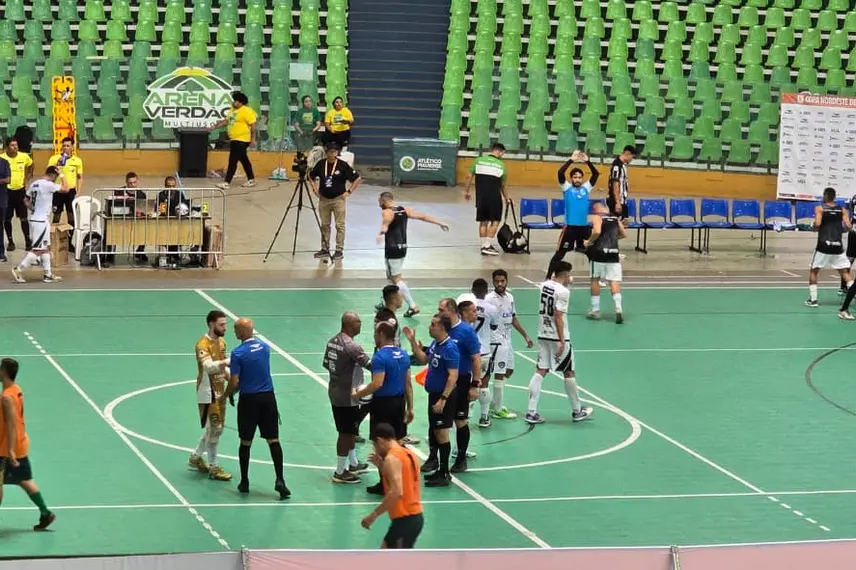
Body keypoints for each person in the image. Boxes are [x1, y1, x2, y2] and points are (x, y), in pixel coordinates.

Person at [220, 318, 291, 500]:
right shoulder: (265, 347)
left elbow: (235, 381)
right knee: (273, 440)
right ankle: (280, 479)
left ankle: (244, 481)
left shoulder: (238, 353)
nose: (234, 332)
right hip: (268, 398)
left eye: (236, 329)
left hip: (249, 400)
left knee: (245, 442)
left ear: (243, 331)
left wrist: (226, 395)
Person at [525, 262, 593, 424]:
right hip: (558, 337)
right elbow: (558, 316)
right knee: (568, 371)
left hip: (543, 334)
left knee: (540, 370)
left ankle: (531, 411)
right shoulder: (563, 292)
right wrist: (562, 340)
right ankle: (577, 411)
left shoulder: (544, 285)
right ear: (566, 274)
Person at [354, 321, 413, 494]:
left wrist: (358, 394)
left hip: (383, 405)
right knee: (398, 442)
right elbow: (407, 383)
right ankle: (401, 481)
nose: (373, 336)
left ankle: (385, 483)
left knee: (381, 444)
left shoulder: (380, 357)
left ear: (381, 334)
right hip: (399, 402)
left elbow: (377, 383)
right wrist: (410, 407)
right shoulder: (403, 354)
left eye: (375, 333)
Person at [403, 314, 459, 487]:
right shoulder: (436, 344)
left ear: (442, 328)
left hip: (443, 397)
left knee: (442, 433)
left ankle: (445, 472)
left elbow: (453, 376)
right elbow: (423, 359)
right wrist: (412, 342)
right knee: (436, 431)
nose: (430, 326)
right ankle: (440, 470)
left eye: (433, 324)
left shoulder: (450, 348)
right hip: (434, 395)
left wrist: (443, 399)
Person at [0, 358, 56, 531]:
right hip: (21, 443)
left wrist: (10, 451)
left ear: (4, 372)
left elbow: (11, 424)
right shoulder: (16, 390)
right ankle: (45, 513)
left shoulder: (6, 397)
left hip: (6, 448)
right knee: (24, 480)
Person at [377, 191, 450, 318]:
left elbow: (386, 221)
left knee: (396, 279)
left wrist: (382, 232)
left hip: (392, 249)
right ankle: (386, 303)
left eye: (379, 201)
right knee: (391, 277)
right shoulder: (404, 210)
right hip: (403, 248)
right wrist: (440, 222)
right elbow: (423, 216)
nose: (379, 204)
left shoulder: (387, 211)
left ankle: (412, 306)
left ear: (384, 201)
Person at [322, 312, 372, 484]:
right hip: (348, 396)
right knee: (345, 433)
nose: (361, 324)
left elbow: (326, 364)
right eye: (358, 321)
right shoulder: (352, 346)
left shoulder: (332, 341)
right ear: (350, 324)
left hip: (336, 390)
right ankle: (340, 471)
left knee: (350, 430)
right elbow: (371, 365)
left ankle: (353, 463)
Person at [431, 298, 480, 473]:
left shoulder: (466, 331)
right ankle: (433, 457)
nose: (438, 312)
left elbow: (476, 358)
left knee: (460, 420)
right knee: (436, 420)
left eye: (441, 309)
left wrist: (475, 384)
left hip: (461, 380)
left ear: (451, 311)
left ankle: (461, 458)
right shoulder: (441, 328)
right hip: (443, 380)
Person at [360, 423, 424, 549]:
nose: (375, 450)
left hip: (404, 519)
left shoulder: (391, 459)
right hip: (414, 517)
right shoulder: (408, 454)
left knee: (391, 558)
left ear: (380, 441)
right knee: (390, 555)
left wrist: (373, 515)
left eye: (374, 445)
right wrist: (382, 467)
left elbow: (396, 492)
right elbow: (405, 479)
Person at [189, 310, 232, 482]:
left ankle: (195, 457)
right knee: (216, 429)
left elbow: (223, 368)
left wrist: (233, 380)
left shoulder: (222, 343)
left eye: (225, 324)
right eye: (222, 325)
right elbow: (209, 367)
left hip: (220, 392)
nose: (225, 328)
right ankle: (214, 467)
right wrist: (229, 361)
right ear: (211, 324)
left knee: (213, 429)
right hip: (207, 393)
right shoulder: (202, 345)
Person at [486, 269, 533, 419]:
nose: (500, 284)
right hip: (496, 340)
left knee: (509, 370)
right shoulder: (489, 299)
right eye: (497, 281)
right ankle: (497, 409)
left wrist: (525, 335)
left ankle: (494, 402)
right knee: (499, 373)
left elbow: (513, 318)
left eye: (502, 281)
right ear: (493, 282)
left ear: (506, 281)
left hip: (508, 339)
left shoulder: (510, 297)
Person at [11, 167, 69, 284]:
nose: (56, 179)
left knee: (45, 248)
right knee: (37, 250)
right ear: (53, 175)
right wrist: (62, 174)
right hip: (40, 222)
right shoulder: (47, 184)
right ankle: (18, 269)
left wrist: (33, 209)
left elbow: (26, 199)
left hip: (37, 219)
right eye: (56, 177)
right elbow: (66, 189)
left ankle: (48, 275)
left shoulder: (35, 183)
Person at [547, 151, 600, 278]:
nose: (577, 179)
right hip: (570, 228)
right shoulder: (567, 188)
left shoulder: (586, 188)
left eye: (580, 177)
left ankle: (596, 277)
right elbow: (560, 173)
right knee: (559, 254)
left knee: (592, 252)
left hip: (584, 228)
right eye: (575, 177)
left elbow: (595, 174)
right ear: (571, 179)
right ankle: (548, 277)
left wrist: (587, 161)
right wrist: (571, 160)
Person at [309, 142, 362, 261]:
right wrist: (315, 189)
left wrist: (349, 191)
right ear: (326, 152)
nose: (332, 154)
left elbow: (357, 178)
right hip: (324, 199)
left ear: (337, 153)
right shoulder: (321, 164)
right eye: (330, 151)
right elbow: (311, 176)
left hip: (338, 199)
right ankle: (325, 248)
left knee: (340, 225)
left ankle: (339, 250)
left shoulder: (342, 165)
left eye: (335, 152)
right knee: (325, 225)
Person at [803, 187, 852, 309]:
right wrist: (840, 230)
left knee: (814, 271)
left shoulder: (820, 208)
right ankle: (853, 293)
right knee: (844, 272)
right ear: (834, 197)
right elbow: (848, 226)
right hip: (837, 246)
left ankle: (813, 300)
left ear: (825, 195)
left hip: (823, 246)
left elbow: (818, 224)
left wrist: (813, 228)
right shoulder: (842, 210)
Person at [586, 202, 628, 324]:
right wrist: (613, 238)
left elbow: (597, 232)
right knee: (614, 281)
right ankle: (618, 308)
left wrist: (589, 241)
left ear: (597, 209)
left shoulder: (597, 217)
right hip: (613, 252)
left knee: (595, 279)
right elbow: (623, 234)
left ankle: (595, 310)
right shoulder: (615, 218)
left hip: (599, 252)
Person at [464, 143, 509, 256]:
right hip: (494, 198)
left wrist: (467, 191)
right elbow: (502, 185)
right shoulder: (501, 165)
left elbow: (469, 176)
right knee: (495, 221)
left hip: (481, 198)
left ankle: (483, 245)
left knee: (483, 222)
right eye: (503, 153)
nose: (502, 155)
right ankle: (487, 245)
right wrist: (507, 198)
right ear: (499, 152)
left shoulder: (478, 161)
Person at [211, 91, 257, 190]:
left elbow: (253, 125)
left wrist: (253, 139)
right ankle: (251, 179)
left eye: (236, 101)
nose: (234, 103)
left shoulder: (246, 111)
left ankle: (227, 182)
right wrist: (215, 126)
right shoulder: (232, 110)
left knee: (233, 160)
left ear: (241, 103)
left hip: (242, 139)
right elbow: (226, 121)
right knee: (244, 160)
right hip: (234, 139)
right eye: (234, 101)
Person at [472, 278, 500, 428]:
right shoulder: (492, 309)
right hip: (484, 352)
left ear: (472, 290)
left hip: (469, 352)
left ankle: (465, 416)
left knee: (468, 384)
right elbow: (494, 327)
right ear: (486, 291)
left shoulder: (466, 306)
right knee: (484, 384)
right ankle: (484, 417)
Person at [2, 138, 34, 252]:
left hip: (20, 191)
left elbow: (31, 165)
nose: (15, 147)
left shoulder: (24, 156)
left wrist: (27, 178)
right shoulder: (2, 158)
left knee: (24, 218)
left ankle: (28, 241)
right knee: (7, 219)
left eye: (16, 145)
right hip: (7, 192)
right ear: (7, 147)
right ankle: (10, 242)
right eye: (12, 145)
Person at [48, 137, 83, 230]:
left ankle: (70, 237)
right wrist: (57, 164)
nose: (65, 148)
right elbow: (49, 174)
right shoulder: (54, 158)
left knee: (71, 215)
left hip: (71, 191)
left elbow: (79, 177)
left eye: (68, 146)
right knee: (56, 214)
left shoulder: (77, 161)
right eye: (64, 146)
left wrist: (78, 192)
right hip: (58, 190)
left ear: (72, 147)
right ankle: (54, 236)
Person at [608, 145, 636, 221]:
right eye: (632, 157)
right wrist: (617, 202)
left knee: (624, 223)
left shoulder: (623, 166)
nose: (632, 160)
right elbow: (615, 184)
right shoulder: (617, 166)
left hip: (622, 201)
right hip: (616, 201)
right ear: (628, 154)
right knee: (616, 225)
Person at [0, 154, 10, 262]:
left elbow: (8, 180)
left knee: (0, 226)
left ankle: (1, 253)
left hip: (1, 200)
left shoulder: (4, 163)